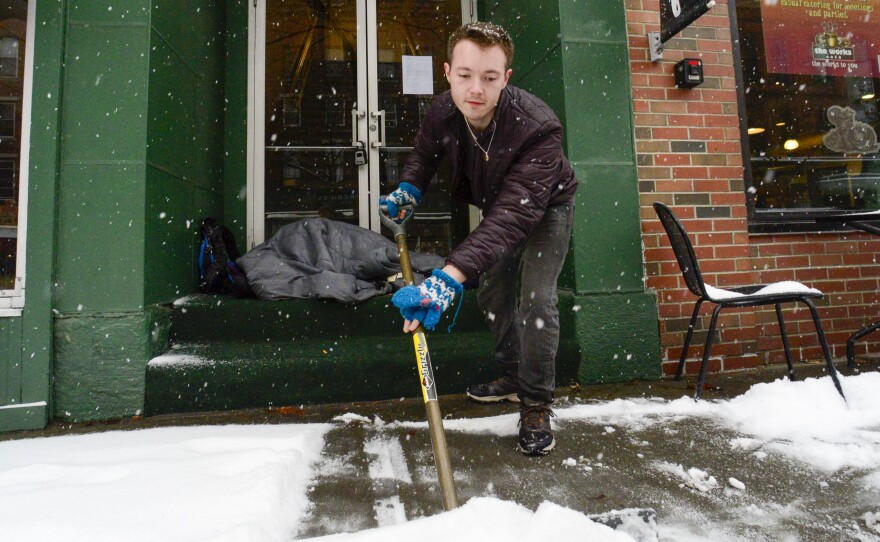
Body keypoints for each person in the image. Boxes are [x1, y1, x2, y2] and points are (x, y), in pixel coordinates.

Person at [382, 22, 578, 456]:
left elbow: (512, 217)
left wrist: (447, 277)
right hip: (500, 209)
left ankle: (536, 402)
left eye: (489, 78)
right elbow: (425, 154)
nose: (476, 89)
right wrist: (409, 188)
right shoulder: (441, 112)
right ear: (448, 72)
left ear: (505, 78)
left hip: (546, 209)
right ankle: (512, 374)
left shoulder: (539, 127)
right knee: (492, 291)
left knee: (536, 299)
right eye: (466, 75)